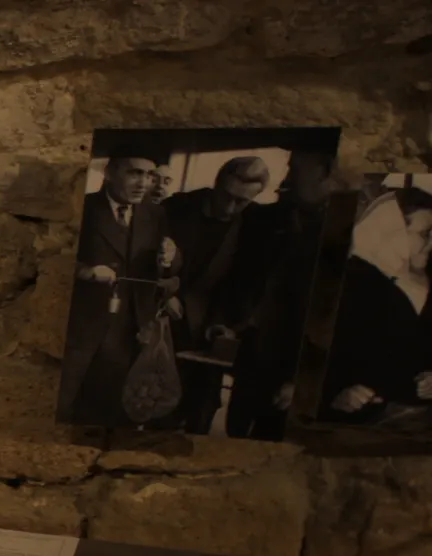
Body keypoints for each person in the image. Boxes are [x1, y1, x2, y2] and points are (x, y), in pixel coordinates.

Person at [60, 156, 180, 425]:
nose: (144, 183)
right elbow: (49, 258)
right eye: (135, 173)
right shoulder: (82, 207)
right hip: (79, 327)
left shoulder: (154, 214)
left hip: (128, 330)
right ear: (109, 172)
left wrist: (170, 258)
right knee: (63, 404)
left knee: (107, 411)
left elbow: (169, 266)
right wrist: (85, 271)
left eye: (149, 175)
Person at [226, 151, 336, 440]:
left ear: (326, 174)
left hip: (295, 371)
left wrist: (301, 378)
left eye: (295, 170)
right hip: (252, 357)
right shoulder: (262, 219)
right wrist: (232, 322)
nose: (286, 179)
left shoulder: (341, 234)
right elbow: (239, 279)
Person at [163, 156, 272, 434]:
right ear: (217, 182)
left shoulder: (258, 225)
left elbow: (250, 285)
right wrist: (163, 292)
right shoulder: (176, 208)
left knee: (202, 405)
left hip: (213, 323)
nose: (229, 207)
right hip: (164, 318)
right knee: (159, 399)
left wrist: (228, 324)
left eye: (242, 201)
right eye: (226, 195)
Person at [320, 186, 432, 425]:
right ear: (393, 232)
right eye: (426, 233)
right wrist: (334, 394)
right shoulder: (346, 282)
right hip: (356, 421)